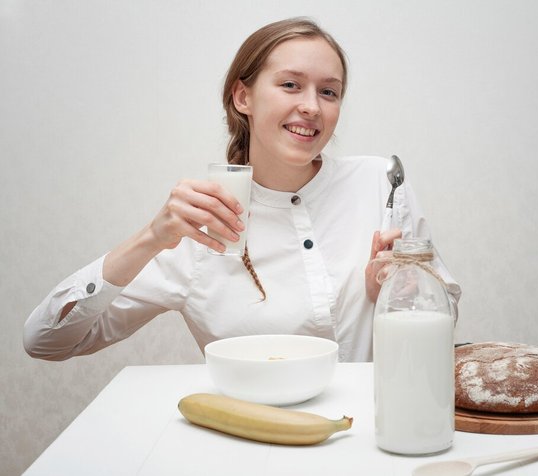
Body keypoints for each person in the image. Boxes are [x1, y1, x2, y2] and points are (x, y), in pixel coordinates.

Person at [23, 17, 460, 363]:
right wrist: (150, 239)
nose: (311, 105)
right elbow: (48, 341)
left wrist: (399, 291)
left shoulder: (382, 183)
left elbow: (444, 317)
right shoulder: (197, 227)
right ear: (242, 97)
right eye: (290, 84)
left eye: (329, 91)